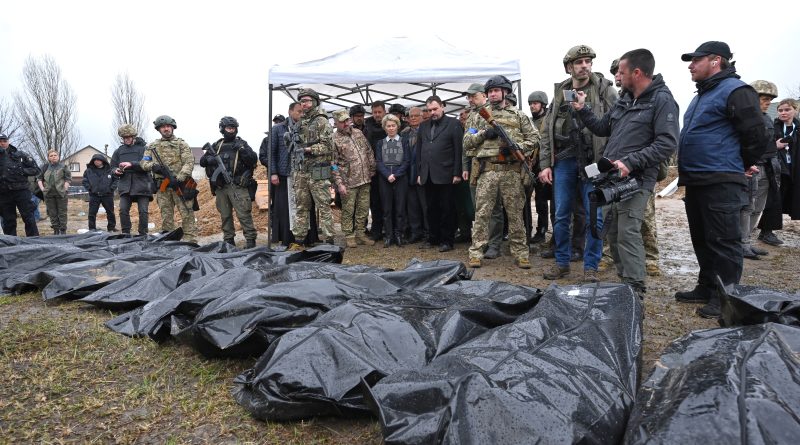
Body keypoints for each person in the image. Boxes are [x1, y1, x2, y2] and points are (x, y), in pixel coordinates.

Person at [573, 48, 679, 296]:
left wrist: (631, 162)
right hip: (613, 180)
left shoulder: (662, 100)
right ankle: (625, 284)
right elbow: (601, 127)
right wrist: (582, 109)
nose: (618, 76)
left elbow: (667, 143)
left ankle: (635, 289)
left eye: (621, 71)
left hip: (637, 180)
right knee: (613, 232)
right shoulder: (625, 99)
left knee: (628, 232)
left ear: (637, 72)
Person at [674, 41, 768, 318]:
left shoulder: (736, 91)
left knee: (724, 241)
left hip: (722, 179)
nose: (691, 65)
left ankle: (725, 297)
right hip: (697, 179)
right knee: (702, 238)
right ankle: (706, 286)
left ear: (715, 61)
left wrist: (743, 163)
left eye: (695, 60)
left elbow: (756, 134)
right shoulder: (702, 94)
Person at [538, 44, 618, 281]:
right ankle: (562, 263)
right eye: (579, 62)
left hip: (594, 163)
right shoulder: (560, 91)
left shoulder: (605, 90)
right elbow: (547, 130)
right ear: (569, 67)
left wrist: (610, 160)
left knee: (595, 216)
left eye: (588, 61)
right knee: (561, 214)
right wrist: (545, 164)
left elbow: (619, 124)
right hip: (564, 162)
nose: (584, 65)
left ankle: (590, 266)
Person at [465, 76, 539, 269]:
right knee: (482, 214)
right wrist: (483, 134)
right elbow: (467, 142)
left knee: (515, 215)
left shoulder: (519, 115)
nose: (493, 94)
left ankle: (521, 253)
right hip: (487, 171)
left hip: (511, 171)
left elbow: (535, 139)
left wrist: (517, 147)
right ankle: (476, 252)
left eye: (497, 90)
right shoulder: (477, 115)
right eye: (490, 91)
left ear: (505, 92)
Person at [200, 116, 258, 248]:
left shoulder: (242, 144)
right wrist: (211, 160)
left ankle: (250, 240)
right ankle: (229, 240)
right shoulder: (217, 145)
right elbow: (203, 161)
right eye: (228, 128)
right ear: (222, 129)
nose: (231, 131)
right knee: (225, 215)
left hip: (237, 186)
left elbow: (253, 160)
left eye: (233, 128)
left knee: (244, 214)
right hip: (221, 187)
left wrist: (242, 150)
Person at [416, 95, 464, 252]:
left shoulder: (454, 124)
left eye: (435, 109)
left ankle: (447, 240)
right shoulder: (423, 126)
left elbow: (459, 150)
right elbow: (419, 151)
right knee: (430, 208)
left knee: (447, 209)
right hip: (428, 175)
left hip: (447, 174)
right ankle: (433, 238)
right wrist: (419, 172)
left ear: (443, 106)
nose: (432, 113)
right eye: (429, 110)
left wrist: (457, 172)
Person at [289, 88, 335, 247]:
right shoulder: (299, 122)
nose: (305, 104)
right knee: (301, 208)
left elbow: (328, 146)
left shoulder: (322, 121)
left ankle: (329, 242)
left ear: (315, 102)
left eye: (307, 101)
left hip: (318, 172)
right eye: (302, 101)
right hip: (301, 172)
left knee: (324, 208)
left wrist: (309, 149)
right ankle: (298, 241)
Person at [141, 115, 198, 242]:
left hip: (181, 185)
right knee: (166, 216)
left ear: (172, 128)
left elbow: (189, 163)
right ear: (159, 129)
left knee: (187, 213)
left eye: (168, 126)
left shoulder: (181, 144)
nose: (166, 129)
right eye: (163, 127)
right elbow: (143, 163)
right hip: (163, 186)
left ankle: (190, 242)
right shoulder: (152, 147)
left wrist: (179, 178)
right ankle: (169, 241)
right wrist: (153, 166)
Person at [463, 82, 503, 258]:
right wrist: (465, 166)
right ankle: (481, 242)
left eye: (474, 96)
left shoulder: (495, 111)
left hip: (494, 163)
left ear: (484, 95)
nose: (471, 99)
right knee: (479, 207)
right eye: (469, 97)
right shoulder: (472, 115)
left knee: (494, 207)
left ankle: (494, 244)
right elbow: (467, 143)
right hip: (476, 165)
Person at [741, 80, 778, 257]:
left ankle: (746, 241)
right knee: (747, 207)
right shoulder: (744, 118)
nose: (768, 102)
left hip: (767, 167)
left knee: (757, 208)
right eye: (765, 98)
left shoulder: (766, 118)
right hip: (751, 167)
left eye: (770, 99)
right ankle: (741, 244)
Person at [331, 108, 376, 248]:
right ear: (336, 123)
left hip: (365, 179)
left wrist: (372, 168)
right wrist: (339, 184)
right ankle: (349, 235)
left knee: (363, 209)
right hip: (348, 182)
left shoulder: (358, 133)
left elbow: (368, 151)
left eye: (347, 120)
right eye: (342, 121)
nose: (346, 123)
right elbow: (332, 164)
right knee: (348, 210)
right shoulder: (334, 139)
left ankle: (361, 234)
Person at [261, 102, 300, 247]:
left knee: (301, 207)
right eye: (298, 111)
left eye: (303, 112)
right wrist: (273, 173)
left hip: (301, 175)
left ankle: (303, 237)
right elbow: (271, 153)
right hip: (283, 175)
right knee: (284, 208)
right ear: (290, 111)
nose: (301, 114)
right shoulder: (277, 129)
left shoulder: (304, 128)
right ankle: (285, 237)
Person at [376, 113, 411, 247]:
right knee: (387, 209)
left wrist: (396, 175)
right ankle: (389, 236)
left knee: (400, 208)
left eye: (393, 125)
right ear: (384, 128)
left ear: (397, 126)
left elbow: (407, 161)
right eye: (388, 126)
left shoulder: (404, 141)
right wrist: (387, 175)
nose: (391, 128)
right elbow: (378, 161)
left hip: (400, 178)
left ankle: (399, 235)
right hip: (385, 179)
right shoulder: (380, 143)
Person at [111, 124, 153, 236]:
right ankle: (125, 233)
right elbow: (112, 167)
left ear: (134, 137)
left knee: (143, 211)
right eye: (124, 138)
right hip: (125, 185)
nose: (127, 139)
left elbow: (147, 164)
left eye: (129, 137)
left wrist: (131, 164)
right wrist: (115, 171)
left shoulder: (144, 149)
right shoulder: (118, 151)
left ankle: (143, 234)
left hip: (142, 184)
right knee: (123, 210)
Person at [0, 133, 40, 236]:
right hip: (4, 192)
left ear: (8, 142)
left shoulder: (20, 155)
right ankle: (11, 244)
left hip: (21, 191)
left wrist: (21, 170)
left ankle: (34, 242)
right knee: (8, 220)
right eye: (0, 142)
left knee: (29, 217)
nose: (2, 143)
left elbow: (36, 170)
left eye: (4, 141)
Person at [402, 106, 428, 243]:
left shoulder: (428, 131)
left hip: (423, 173)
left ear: (422, 117)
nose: (412, 118)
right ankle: (415, 232)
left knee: (425, 205)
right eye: (410, 116)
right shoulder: (404, 133)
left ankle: (427, 233)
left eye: (415, 115)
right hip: (408, 174)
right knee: (412, 206)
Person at [528, 91, 551, 245]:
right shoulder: (529, 121)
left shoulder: (547, 120)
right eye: (530, 103)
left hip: (544, 165)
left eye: (535, 103)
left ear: (542, 104)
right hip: (530, 165)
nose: (532, 106)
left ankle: (542, 230)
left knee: (542, 200)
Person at [365, 101, 387, 241]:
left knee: (389, 201)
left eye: (379, 112)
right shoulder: (368, 127)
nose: (377, 115)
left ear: (385, 111)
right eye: (375, 112)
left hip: (389, 169)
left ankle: (390, 229)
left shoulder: (390, 124)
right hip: (373, 170)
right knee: (375, 201)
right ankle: (376, 230)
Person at [38, 150, 72, 235]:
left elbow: (68, 178)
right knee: (52, 213)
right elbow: (39, 179)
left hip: (61, 193)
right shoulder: (44, 167)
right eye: (51, 155)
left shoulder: (63, 166)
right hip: (49, 194)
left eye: (55, 155)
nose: (53, 157)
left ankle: (63, 230)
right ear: (48, 157)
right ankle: (56, 230)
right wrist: (42, 189)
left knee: (62, 213)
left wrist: (65, 188)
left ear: (58, 156)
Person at [82, 153, 118, 231]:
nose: (96, 161)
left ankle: (111, 227)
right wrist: (90, 189)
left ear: (102, 161)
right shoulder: (88, 171)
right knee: (92, 213)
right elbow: (85, 181)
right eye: (94, 160)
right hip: (94, 195)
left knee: (110, 212)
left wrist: (111, 189)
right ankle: (92, 228)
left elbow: (116, 180)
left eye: (98, 160)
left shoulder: (110, 170)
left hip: (107, 195)